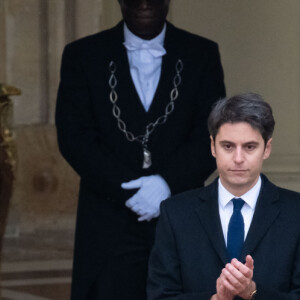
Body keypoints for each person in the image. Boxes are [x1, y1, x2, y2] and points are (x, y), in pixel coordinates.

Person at [55, 0, 225, 299]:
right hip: (108, 224)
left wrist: (166, 184)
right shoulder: (82, 54)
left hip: (180, 218)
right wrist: (129, 191)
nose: (144, 2)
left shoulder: (202, 53)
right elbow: (75, 137)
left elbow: (211, 134)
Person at [148, 93, 300, 300]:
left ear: (267, 148)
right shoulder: (175, 214)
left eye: (249, 147)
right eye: (228, 146)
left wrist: (253, 292)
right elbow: (160, 296)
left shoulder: (296, 213)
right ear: (212, 146)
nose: (238, 158)